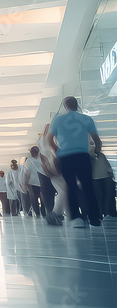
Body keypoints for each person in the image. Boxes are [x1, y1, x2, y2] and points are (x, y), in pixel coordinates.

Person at [47, 96, 103, 228]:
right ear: (76, 105)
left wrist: (58, 151)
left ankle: (76, 218)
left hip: (66, 157)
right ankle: (94, 218)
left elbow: (49, 140)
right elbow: (97, 140)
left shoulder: (58, 120)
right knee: (88, 186)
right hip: (83, 156)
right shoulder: (86, 119)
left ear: (65, 106)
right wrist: (97, 152)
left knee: (71, 187)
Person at [90, 139, 115, 218]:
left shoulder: (101, 155)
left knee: (108, 196)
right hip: (95, 179)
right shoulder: (90, 156)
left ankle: (107, 212)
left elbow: (108, 167)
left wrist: (111, 177)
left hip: (106, 178)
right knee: (99, 197)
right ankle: (100, 213)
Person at [25, 147, 45, 217]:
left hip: (32, 181)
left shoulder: (29, 160)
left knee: (33, 198)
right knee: (43, 197)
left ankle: (37, 213)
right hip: (42, 181)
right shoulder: (41, 159)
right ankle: (44, 212)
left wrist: (26, 181)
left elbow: (27, 172)